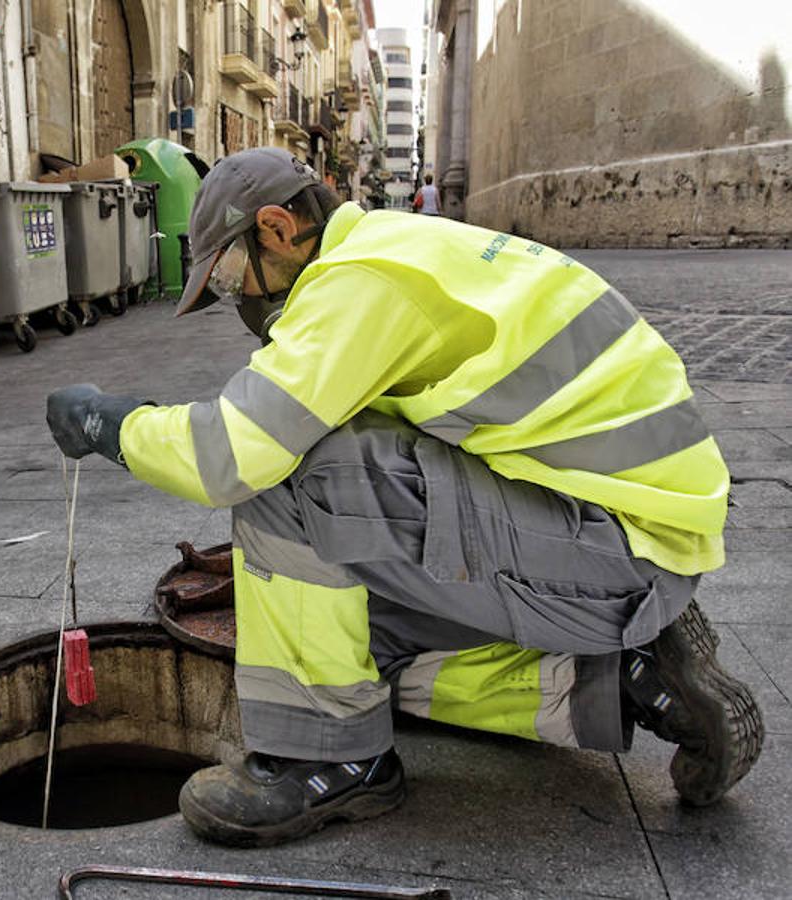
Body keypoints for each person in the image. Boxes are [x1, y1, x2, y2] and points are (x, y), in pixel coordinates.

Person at [46, 147, 762, 848]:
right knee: (350, 649)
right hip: (614, 527)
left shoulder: (360, 282)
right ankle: (617, 678)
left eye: (237, 280)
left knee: (291, 478)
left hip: (617, 544)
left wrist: (111, 423)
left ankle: (330, 761)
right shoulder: (392, 246)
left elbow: (235, 452)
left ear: (274, 228)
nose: (243, 301)